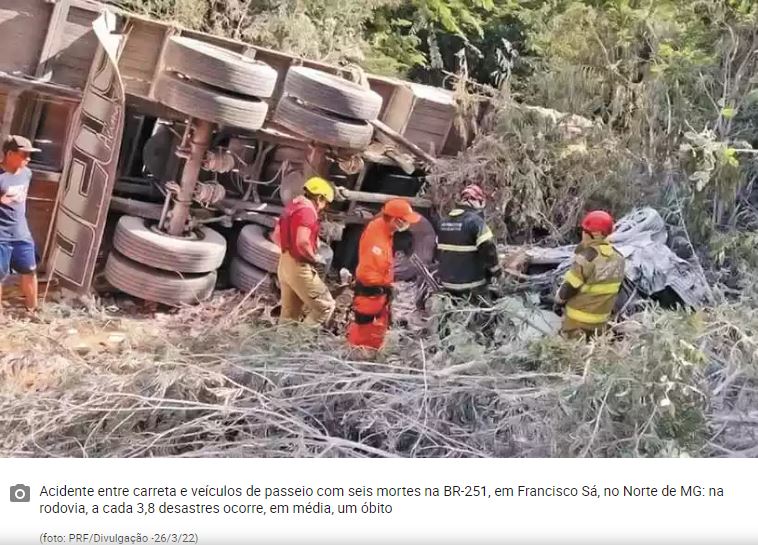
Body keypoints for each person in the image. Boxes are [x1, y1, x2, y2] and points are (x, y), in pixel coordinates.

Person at [347, 198, 421, 350]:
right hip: (371, 295)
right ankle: (358, 361)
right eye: (405, 220)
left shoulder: (383, 229)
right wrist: (384, 287)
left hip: (378, 294)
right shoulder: (377, 239)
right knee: (365, 336)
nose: (408, 224)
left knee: (375, 333)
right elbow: (368, 273)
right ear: (395, 220)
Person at [435, 184, 502, 342]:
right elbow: (489, 250)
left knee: (448, 313)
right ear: (477, 201)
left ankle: (442, 342)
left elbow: (437, 251)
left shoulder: (442, 222)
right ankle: (487, 343)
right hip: (472, 283)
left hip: (448, 282)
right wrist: (496, 272)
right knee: (486, 310)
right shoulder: (476, 222)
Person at [271, 176, 336, 326]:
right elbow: (301, 242)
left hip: (285, 263)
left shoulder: (293, 206)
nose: (324, 206)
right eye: (325, 202)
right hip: (299, 267)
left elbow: (276, 235)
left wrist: (290, 250)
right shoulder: (308, 212)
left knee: (289, 315)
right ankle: (301, 342)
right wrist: (314, 258)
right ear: (320, 198)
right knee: (325, 307)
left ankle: (280, 347)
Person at [553, 210, 625, 339]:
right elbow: (617, 289)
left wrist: (557, 303)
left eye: (584, 230)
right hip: (600, 325)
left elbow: (569, 288)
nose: (582, 233)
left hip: (576, 323)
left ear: (593, 234)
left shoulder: (587, 258)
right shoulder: (619, 258)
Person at [0, 135, 41, 314]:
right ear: (9, 154)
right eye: (24, 154)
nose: (28, 159)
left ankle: (33, 311)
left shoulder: (27, 173)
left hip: (21, 233)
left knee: (30, 271)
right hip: (1, 235)